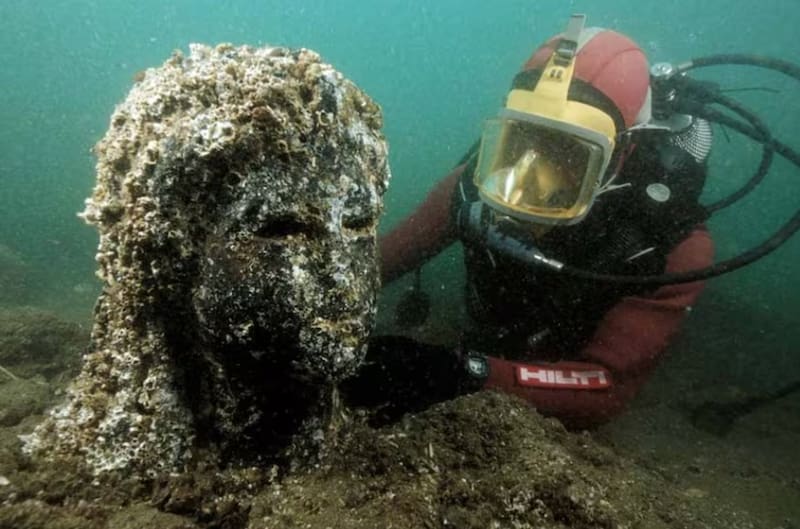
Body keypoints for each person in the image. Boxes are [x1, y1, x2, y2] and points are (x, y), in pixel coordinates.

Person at [342, 15, 715, 429]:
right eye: (518, 142)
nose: (522, 181)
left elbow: (606, 388)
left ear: (620, 154)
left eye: (567, 154)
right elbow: (374, 267)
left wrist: (462, 373)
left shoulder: (670, 244)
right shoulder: (473, 187)